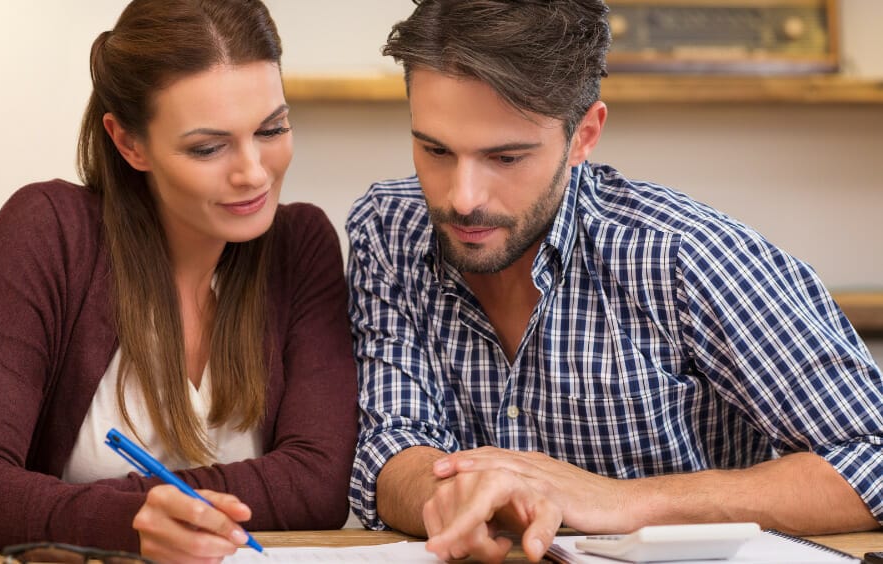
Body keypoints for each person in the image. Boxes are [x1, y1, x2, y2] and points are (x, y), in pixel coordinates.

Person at [345, 1, 883, 562]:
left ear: (584, 135)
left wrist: (621, 500)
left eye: (505, 157)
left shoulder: (683, 255)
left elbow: (873, 455)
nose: (462, 198)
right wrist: (450, 497)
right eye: (434, 150)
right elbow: (392, 442)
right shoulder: (389, 231)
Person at [0, 1, 357, 562]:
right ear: (129, 144)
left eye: (272, 128)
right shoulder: (48, 232)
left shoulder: (301, 246)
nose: (253, 171)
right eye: (208, 147)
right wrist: (128, 521)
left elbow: (318, 485)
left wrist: (52, 503)